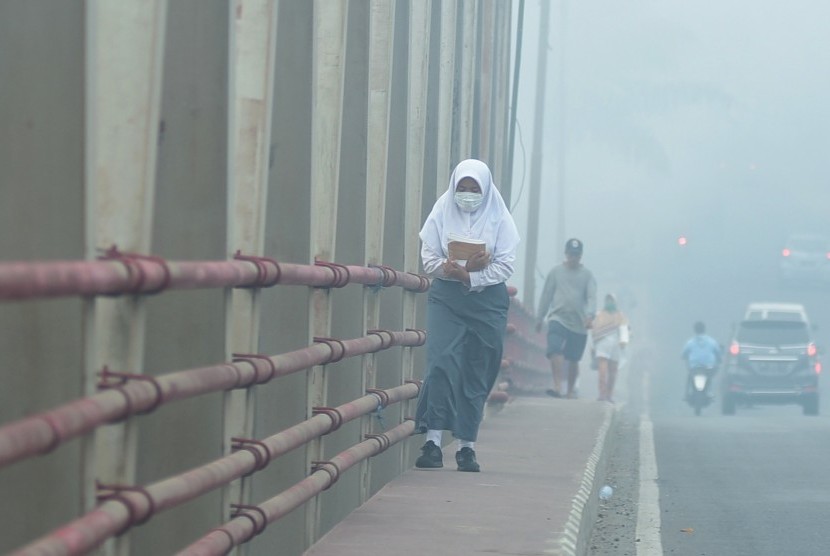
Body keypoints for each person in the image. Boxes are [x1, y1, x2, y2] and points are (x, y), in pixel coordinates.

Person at [414, 159, 521, 473]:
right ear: (454, 186)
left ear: (486, 190)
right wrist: (452, 270)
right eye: (463, 187)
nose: (468, 194)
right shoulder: (442, 211)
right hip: (447, 297)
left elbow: (505, 265)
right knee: (440, 362)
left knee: (480, 367)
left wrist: (471, 276)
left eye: (475, 189)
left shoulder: (500, 217)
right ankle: (432, 441)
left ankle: (466, 446)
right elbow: (428, 259)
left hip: (488, 300)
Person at [535, 238, 597, 399]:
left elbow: (591, 297)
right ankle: (557, 386)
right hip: (558, 318)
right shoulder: (555, 272)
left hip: (579, 322)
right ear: (566, 254)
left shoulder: (587, 275)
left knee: (573, 358)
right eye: (570, 254)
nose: (573, 258)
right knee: (554, 349)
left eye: (576, 255)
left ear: (581, 256)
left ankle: (569, 391)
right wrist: (540, 317)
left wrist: (590, 316)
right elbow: (546, 295)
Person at [590, 293, 629, 403]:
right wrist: (592, 346)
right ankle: (602, 394)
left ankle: (609, 394)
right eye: (608, 300)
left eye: (611, 300)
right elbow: (593, 332)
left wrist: (623, 341)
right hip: (602, 344)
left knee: (613, 372)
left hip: (615, 345)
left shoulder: (620, 316)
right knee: (602, 370)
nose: (609, 303)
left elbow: (624, 329)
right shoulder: (599, 315)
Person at [681, 321, 721, 400]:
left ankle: (686, 394)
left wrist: (685, 357)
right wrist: (719, 360)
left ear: (695, 330)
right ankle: (710, 392)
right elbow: (718, 353)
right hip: (708, 367)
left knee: (689, 377)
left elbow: (683, 354)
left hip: (694, 367)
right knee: (710, 376)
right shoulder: (712, 341)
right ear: (704, 329)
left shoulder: (690, 342)